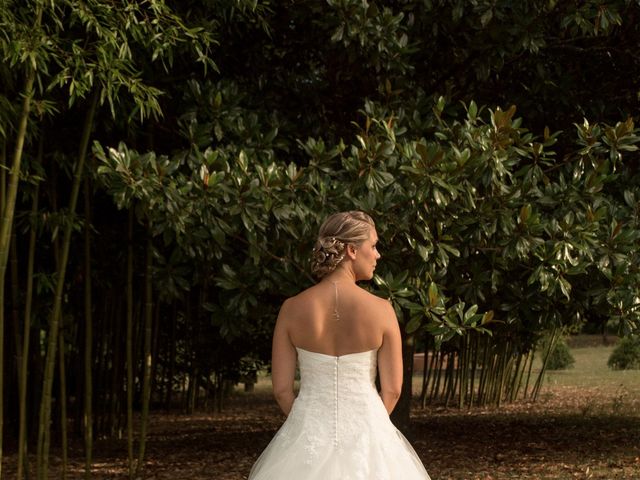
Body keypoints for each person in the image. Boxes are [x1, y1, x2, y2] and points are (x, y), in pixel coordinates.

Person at [248, 211, 431, 480]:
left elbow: (282, 390)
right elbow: (392, 390)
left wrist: (307, 427)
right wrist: (369, 427)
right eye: (374, 245)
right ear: (352, 250)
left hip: (307, 436)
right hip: (367, 435)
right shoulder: (382, 310)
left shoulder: (291, 309)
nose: (378, 255)